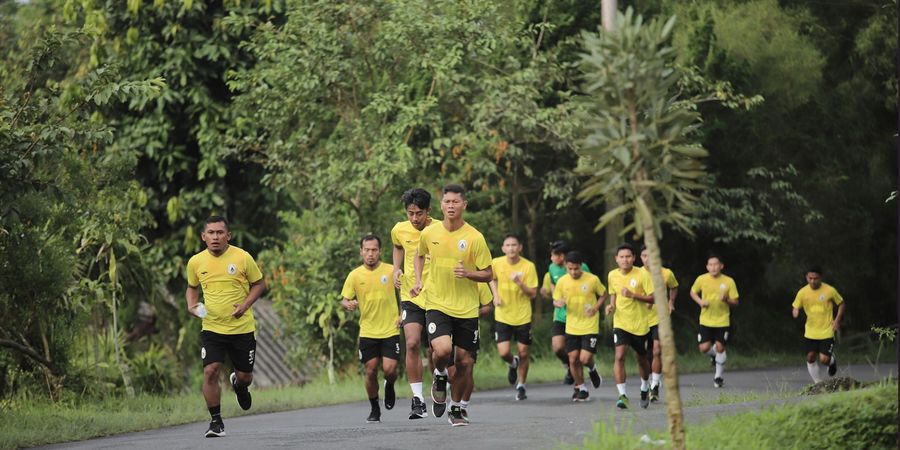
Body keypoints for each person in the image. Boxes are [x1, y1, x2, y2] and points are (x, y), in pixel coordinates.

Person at [411, 184, 492, 427]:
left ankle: (456, 408)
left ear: (464, 205)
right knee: (443, 350)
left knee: (466, 363)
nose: (451, 206)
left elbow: (488, 273)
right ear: (441, 205)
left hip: (467, 309)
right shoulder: (430, 233)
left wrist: (468, 273)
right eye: (447, 202)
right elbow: (419, 254)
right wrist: (417, 280)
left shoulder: (474, 237)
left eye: (456, 202)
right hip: (437, 303)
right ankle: (439, 375)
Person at [185, 216, 266, 438]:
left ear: (228, 235)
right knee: (210, 371)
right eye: (211, 233)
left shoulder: (242, 257)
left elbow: (260, 284)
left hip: (242, 328)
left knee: (245, 377)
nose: (215, 237)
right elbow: (192, 288)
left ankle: (239, 385)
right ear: (203, 237)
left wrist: (245, 305)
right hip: (211, 327)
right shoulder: (196, 262)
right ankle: (216, 422)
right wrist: (192, 305)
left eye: (220, 232)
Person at [340, 234, 401, 423]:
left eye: (374, 250)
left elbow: (406, 294)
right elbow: (344, 299)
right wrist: (348, 304)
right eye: (366, 250)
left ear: (380, 251)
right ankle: (375, 408)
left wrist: (402, 314)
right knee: (370, 370)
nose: (370, 254)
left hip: (391, 328)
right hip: (368, 331)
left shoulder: (392, 271)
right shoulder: (355, 275)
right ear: (361, 252)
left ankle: (389, 384)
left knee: (390, 369)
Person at [390, 188, 435, 419]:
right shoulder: (399, 229)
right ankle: (417, 400)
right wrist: (396, 268)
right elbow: (398, 247)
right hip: (411, 296)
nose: (415, 219)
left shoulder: (439, 230)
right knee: (412, 343)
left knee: (437, 350)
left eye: (419, 213)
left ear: (429, 211)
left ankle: (440, 378)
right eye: (410, 213)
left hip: (437, 297)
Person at [552, 251, 607, 402]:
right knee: (573, 358)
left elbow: (603, 294)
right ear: (566, 266)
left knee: (584, 358)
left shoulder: (592, 279)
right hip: (572, 325)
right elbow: (555, 299)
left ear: (581, 266)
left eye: (576, 268)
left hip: (589, 324)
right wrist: (558, 303)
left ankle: (592, 369)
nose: (573, 272)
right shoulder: (562, 281)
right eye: (570, 269)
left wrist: (596, 308)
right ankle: (582, 388)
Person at [489, 234, 538, 401]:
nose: (511, 248)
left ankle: (521, 386)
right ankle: (512, 363)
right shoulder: (496, 263)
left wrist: (519, 282)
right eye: (508, 245)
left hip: (523, 315)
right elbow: (491, 279)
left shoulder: (528, 266)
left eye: (514, 245)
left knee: (524, 352)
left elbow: (533, 293)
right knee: (504, 353)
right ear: (503, 248)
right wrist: (495, 295)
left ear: (520, 247)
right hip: (503, 314)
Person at [605, 243, 654, 409]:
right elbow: (613, 294)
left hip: (640, 324)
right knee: (619, 356)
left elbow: (653, 298)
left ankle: (644, 387)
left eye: (628, 257)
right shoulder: (612, 275)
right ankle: (622, 395)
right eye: (622, 257)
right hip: (620, 323)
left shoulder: (642, 274)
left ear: (633, 258)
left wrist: (633, 295)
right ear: (616, 259)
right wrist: (611, 305)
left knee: (642, 359)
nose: (625, 260)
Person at [539, 241, 595, 385]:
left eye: (554, 255)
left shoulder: (582, 268)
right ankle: (570, 368)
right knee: (558, 348)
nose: (551, 258)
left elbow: (591, 287)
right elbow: (554, 289)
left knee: (578, 356)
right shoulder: (552, 268)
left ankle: (581, 386)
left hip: (579, 316)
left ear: (562, 256)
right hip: (560, 315)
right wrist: (555, 299)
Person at [690, 254, 739, 389]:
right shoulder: (702, 279)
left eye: (716, 264)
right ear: (707, 267)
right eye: (710, 265)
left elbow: (736, 301)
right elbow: (693, 292)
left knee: (720, 347)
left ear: (721, 266)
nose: (713, 267)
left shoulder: (729, 281)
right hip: (705, 319)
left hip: (722, 320)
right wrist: (700, 301)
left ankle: (718, 377)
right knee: (704, 348)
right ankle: (714, 356)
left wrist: (727, 300)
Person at [791, 266, 844, 383]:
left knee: (824, 359)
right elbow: (795, 305)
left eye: (816, 278)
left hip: (827, 331)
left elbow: (841, 303)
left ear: (820, 278)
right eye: (810, 278)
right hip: (810, 331)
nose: (813, 281)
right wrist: (795, 310)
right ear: (806, 277)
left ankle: (831, 361)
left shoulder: (829, 290)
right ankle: (817, 383)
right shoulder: (802, 292)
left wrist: (837, 320)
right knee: (810, 357)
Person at [639, 246, 678, 403]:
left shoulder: (666, 273)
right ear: (640, 257)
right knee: (645, 355)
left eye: (651, 255)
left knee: (657, 350)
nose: (647, 258)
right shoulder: (637, 273)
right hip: (640, 319)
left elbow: (674, 286)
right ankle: (647, 383)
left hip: (659, 317)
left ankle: (654, 386)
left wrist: (671, 302)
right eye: (644, 255)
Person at [457, 283, 495, 423]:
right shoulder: (442, 272)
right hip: (447, 327)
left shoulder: (478, 280)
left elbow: (489, 306)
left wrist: (474, 312)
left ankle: (462, 406)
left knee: (468, 367)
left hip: (469, 327)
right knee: (452, 368)